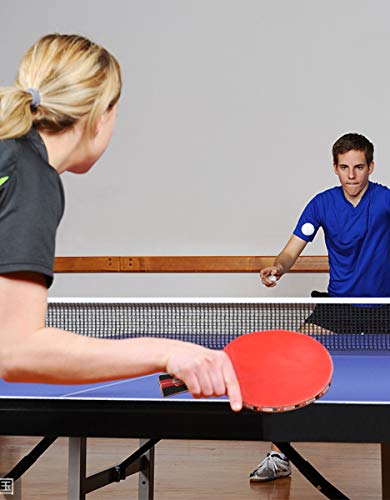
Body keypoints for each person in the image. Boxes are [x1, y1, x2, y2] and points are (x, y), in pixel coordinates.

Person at [0, 33, 241, 412]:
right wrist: (167, 351)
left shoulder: (9, 156)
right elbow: (16, 351)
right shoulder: (29, 177)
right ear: (99, 116)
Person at [251, 133, 390, 490]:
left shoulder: (387, 199)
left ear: (370, 167)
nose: (352, 175)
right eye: (344, 167)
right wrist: (278, 268)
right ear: (335, 168)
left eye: (359, 167)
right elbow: (291, 249)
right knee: (290, 362)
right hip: (340, 308)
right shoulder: (321, 205)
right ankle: (279, 454)